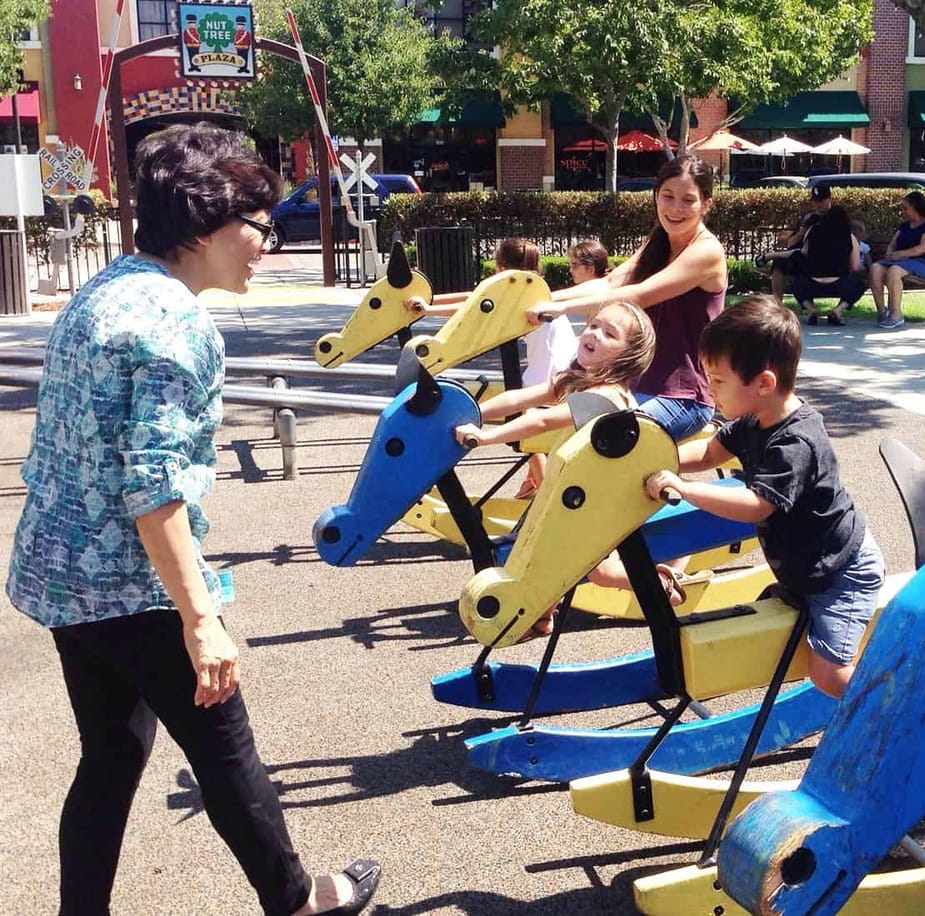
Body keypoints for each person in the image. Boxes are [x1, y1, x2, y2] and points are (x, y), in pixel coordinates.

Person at [4, 124, 380, 916]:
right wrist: (200, 617)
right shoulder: (178, 325)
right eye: (259, 226)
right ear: (210, 223)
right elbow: (155, 487)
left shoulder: (108, 288)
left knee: (111, 756)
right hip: (133, 585)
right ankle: (298, 899)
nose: (265, 246)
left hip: (65, 578)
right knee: (225, 749)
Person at [643, 295, 885, 698]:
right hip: (807, 566)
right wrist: (652, 463)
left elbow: (757, 505)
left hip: (840, 573)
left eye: (718, 381)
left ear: (764, 383)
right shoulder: (755, 418)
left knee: (828, 675)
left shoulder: (796, 440)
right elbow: (708, 452)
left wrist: (683, 489)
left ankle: (892, 705)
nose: (710, 390)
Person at [454, 301, 657, 638]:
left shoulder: (608, 395)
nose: (594, 334)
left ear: (627, 356)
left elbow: (543, 418)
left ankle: (660, 584)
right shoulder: (578, 377)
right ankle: (542, 617)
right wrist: (473, 413)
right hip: (577, 490)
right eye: (593, 326)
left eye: (609, 333)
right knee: (550, 554)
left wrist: (486, 437)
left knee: (600, 573)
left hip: (605, 497)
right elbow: (521, 398)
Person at [526, 154, 728, 444]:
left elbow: (637, 295)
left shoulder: (707, 252)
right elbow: (609, 282)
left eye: (688, 200)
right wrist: (543, 300)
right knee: (569, 441)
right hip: (634, 386)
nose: (675, 208)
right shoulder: (659, 241)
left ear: (706, 204)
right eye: (667, 196)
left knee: (608, 448)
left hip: (683, 397)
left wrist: (561, 308)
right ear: (656, 195)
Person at [407, 236, 577, 497]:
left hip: (547, 374)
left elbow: (470, 307)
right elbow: (476, 297)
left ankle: (546, 494)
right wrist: (431, 301)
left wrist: (428, 311)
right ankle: (532, 484)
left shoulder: (516, 298)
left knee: (526, 433)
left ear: (501, 269)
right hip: (568, 366)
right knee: (533, 432)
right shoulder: (535, 290)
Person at [869, 190, 925, 331]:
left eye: (905, 208)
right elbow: (893, 243)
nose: (903, 211)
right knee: (875, 268)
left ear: (915, 207)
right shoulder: (904, 226)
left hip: (919, 263)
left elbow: (923, 248)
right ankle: (883, 312)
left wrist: (901, 254)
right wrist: (890, 252)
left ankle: (896, 315)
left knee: (894, 271)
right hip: (898, 261)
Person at [758, 184, 834, 303]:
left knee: (800, 264)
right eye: (815, 201)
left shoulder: (836, 218)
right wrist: (800, 231)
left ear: (829, 199)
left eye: (821, 201)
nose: (818, 204)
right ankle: (778, 304)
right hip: (803, 256)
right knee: (779, 263)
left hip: (826, 260)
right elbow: (792, 243)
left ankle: (806, 306)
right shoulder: (809, 218)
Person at [792, 204, 866, 327]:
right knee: (860, 284)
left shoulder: (814, 231)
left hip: (811, 283)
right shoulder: (849, 236)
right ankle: (838, 309)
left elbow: (803, 252)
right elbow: (855, 267)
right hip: (840, 284)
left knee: (795, 283)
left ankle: (810, 309)